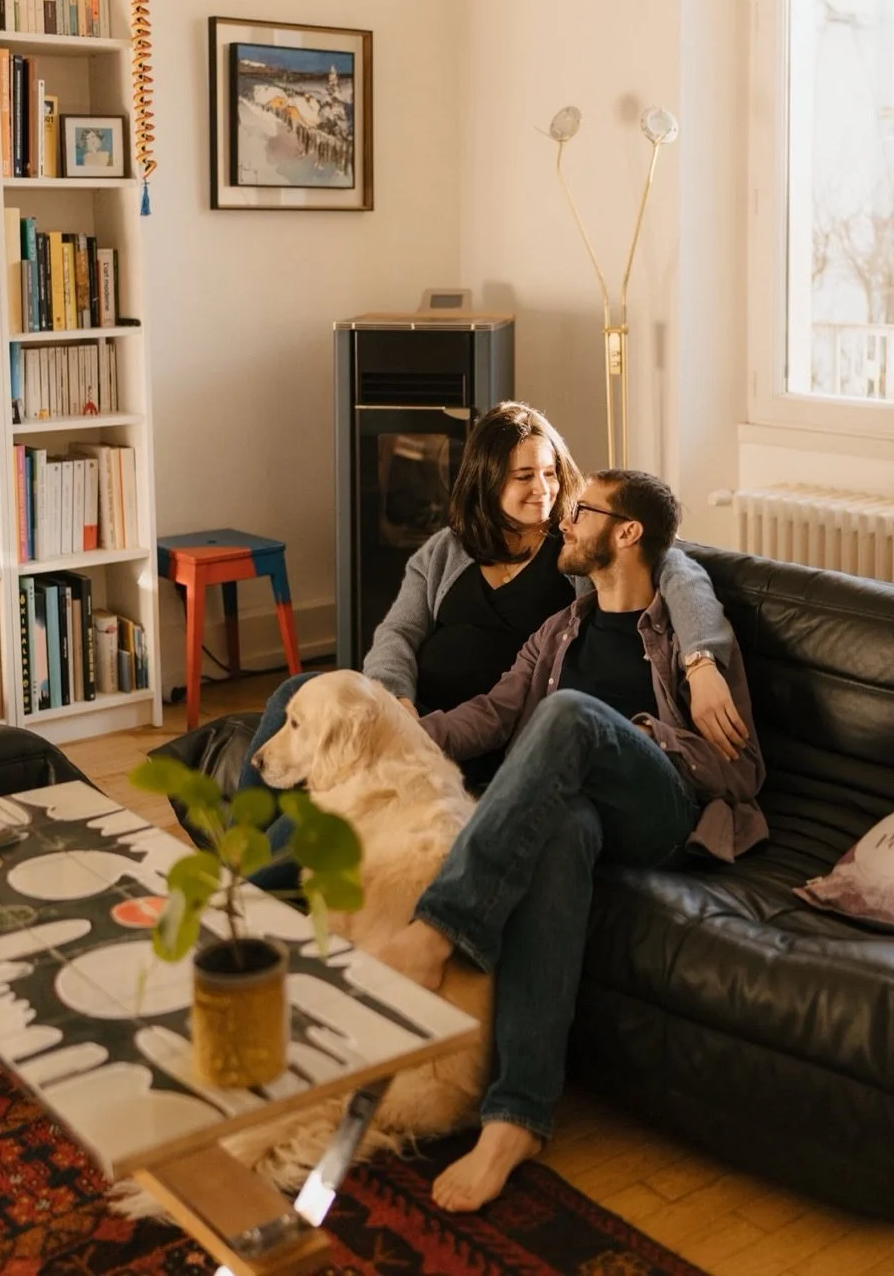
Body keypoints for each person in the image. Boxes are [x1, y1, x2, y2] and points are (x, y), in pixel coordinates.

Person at [374, 469, 767, 1213]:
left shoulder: (686, 638)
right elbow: (488, 716)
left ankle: (441, 930)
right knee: (558, 831)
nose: (563, 520)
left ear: (625, 534)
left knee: (569, 717)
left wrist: (643, 733)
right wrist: (389, 730)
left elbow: (740, 774)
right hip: (581, 816)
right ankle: (515, 1118)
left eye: (581, 510)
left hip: (665, 812)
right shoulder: (563, 629)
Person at [240, 402, 747, 812]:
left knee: (355, 792)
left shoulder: (577, 551)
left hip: (491, 738)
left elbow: (678, 567)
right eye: (523, 476)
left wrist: (700, 659)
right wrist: (396, 703)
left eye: (549, 473)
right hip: (418, 718)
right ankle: (246, 829)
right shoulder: (447, 550)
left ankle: (260, 872)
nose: (543, 490)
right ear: (488, 480)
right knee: (299, 691)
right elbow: (396, 635)